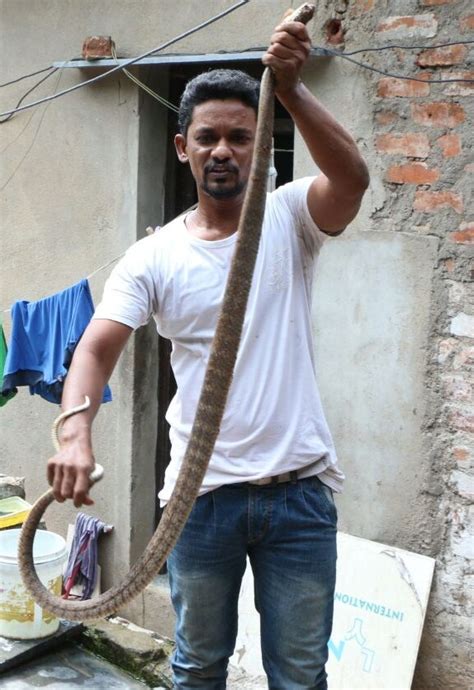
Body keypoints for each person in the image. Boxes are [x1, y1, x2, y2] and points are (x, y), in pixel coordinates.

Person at [48, 17, 369, 690]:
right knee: (196, 670)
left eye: (239, 136)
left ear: (260, 146)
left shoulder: (290, 218)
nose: (223, 150)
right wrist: (75, 431)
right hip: (200, 502)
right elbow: (96, 347)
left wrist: (292, 92)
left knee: (300, 674)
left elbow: (353, 180)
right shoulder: (153, 255)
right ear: (182, 148)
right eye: (208, 137)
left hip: (300, 496)